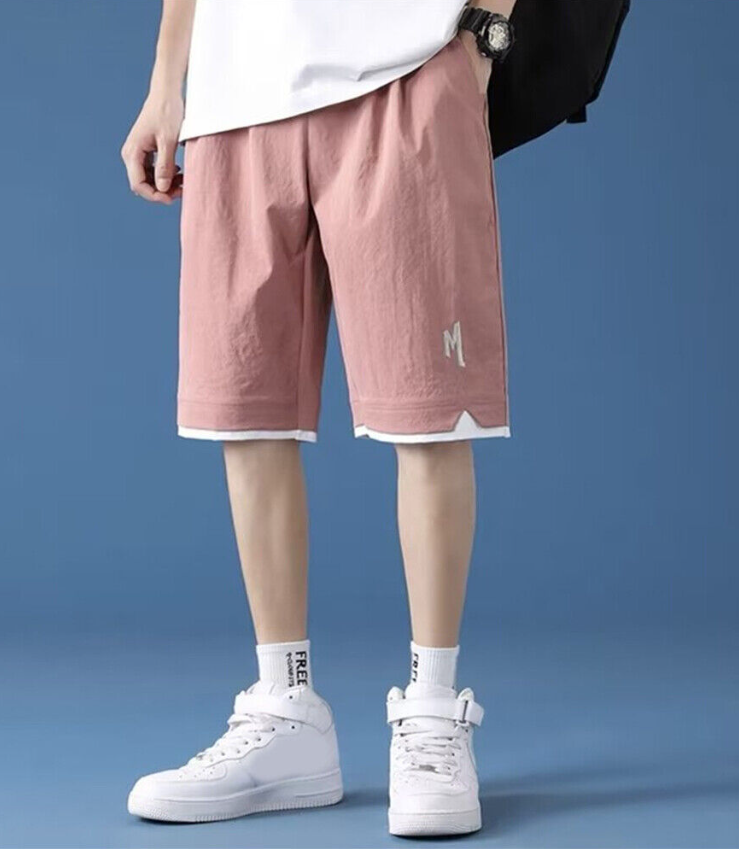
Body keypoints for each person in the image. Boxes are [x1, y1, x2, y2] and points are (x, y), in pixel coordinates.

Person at [122, 0, 516, 837]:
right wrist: (167, 81)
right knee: (246, 411)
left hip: (404, 67)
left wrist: (485, 32)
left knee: (428, 412)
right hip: (234, 95)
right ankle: (286, 708)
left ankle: (433, 708)